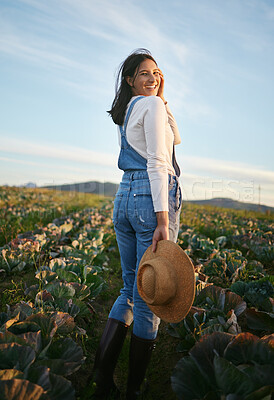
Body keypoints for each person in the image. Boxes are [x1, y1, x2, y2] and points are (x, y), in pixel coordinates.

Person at [91, 48, 182, 399]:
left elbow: (175, 136)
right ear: (130, 79)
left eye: (157, 73)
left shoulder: (130, 110)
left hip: (125, 194)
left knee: (130, 289)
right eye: (145, 73)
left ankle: (101, 378)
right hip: (150, 199)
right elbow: (161, 159)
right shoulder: (151, 106)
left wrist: (162, 97)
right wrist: (162, 217)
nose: (153, 78)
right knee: (152, 297)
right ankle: (134, 391)